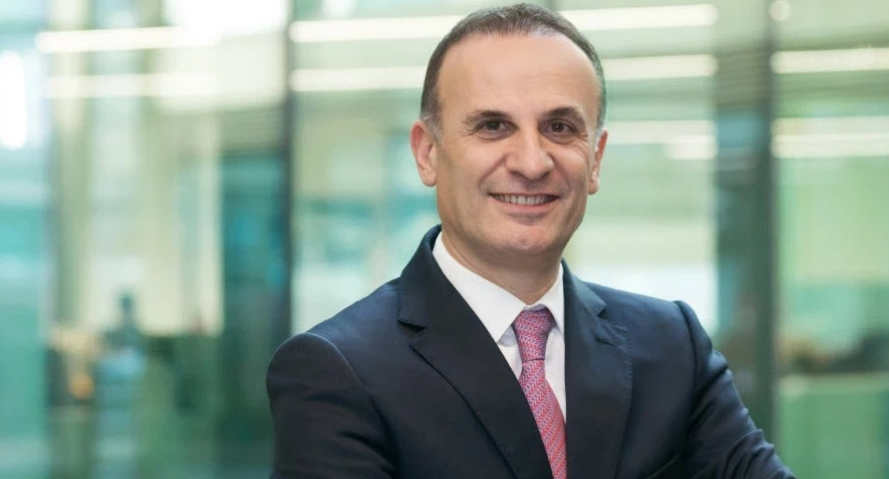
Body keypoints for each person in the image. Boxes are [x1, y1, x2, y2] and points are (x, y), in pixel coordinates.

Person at [267, 4, 795, 479]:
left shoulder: (672, 346)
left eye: (560, 127)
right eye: (493, 126)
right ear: (428, 153)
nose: (532, 162)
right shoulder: (338, 372)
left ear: (595, 159)